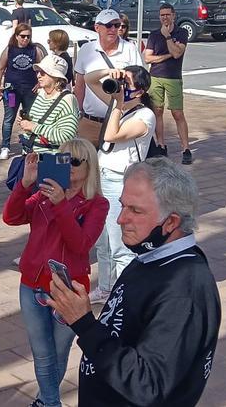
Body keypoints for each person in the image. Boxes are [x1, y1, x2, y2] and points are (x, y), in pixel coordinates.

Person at [47, 158, 222, 406]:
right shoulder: (151, 256)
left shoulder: (184, 288)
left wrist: (85, 324)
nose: (120, 219)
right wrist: (75, 312)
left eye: (136, 211)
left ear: (171, 222)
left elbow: (149, 386)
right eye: (122, 206)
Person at [2, 139, 107, 407]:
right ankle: (50, 403)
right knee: (42, 353)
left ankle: (45, 402)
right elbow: (11, 218)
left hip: (69, 291)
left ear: (89, 166)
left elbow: (81, 244)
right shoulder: (43, 195)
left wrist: (61, 205)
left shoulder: (97, 204)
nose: (68, 167)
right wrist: (24, 184)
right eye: (62, 160)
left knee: (58, 353)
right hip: (33, 283)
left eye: (75, 161)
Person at [81, 65, 155, 304]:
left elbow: (112, 135)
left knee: (118, 245)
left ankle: (123, 297)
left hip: (119, 180)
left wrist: (118, 104)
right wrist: (112, 71)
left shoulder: (145, 116)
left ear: (140, 91)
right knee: (101, 241)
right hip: (101, 176)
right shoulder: (118, 104)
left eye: (128, 83)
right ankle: (105, 288)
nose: (122, 87)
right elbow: (90, 80)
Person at [75, 9, 144, 147]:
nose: (113, 29)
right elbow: (80, 85)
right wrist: (78, 114)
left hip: (120, 121)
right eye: (108, 25)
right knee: (86, 165)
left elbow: (139, 84)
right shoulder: (86, 50)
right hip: (90, 122)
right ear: (97, 28)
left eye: (117, 25)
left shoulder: (130, 49)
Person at [144, 3, 193, 164]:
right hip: (156, 76)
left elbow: (177, 53)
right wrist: (166, 56)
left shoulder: (181, 32)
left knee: (177, 113)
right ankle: (161, 145)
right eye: (162, 15)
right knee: (157, 111)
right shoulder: (154, 35)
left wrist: (167, 37)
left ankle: (185, 148)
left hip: (173, 77)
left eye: (167, 14)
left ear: (173, 15)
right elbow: (147, 58)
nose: (165, 17)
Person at [0, 23, 46, 159]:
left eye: (28, 37)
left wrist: (39, 83)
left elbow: (43, 68)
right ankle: (5, 146)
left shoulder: (35, 50)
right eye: (22, 36)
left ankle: (27, 145)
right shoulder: (10, 49)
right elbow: (0, 68)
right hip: (12, 90)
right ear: (16, 36)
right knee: (9, 118)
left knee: (29, 117)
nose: (25, 39)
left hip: (29, 90)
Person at [21, 54, 79, 155]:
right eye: (38, 72)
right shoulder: (41, 93)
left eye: (43, 72)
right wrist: (26, 121)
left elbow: (67, 136)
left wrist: (34, 127)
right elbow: (39, 121)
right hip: (30, 155)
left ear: (56, 77)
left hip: (51, 160)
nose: (38, 75)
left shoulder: (67, 99)